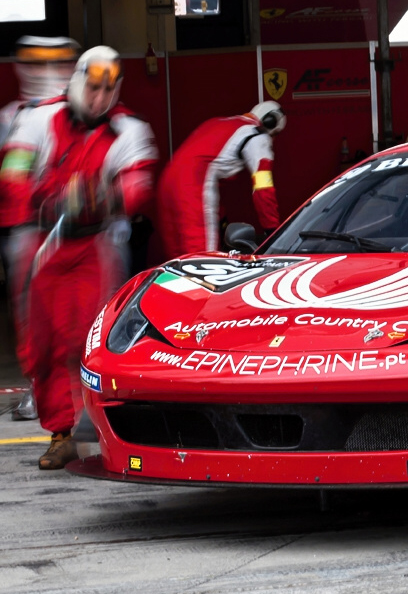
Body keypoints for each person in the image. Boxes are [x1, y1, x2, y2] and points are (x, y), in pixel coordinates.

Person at [0, 46, 158, 470]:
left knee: (92, 341)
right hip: (41, 245)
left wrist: (100, 198)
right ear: (78, 81)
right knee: (44, 345)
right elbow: (13, 176)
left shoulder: (130, 130)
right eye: (92, 87)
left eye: (108, 90)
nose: (98, 98)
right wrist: (48, 203)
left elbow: (139, 186)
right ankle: (62, 433)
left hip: (94, 246)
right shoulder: (35, 120)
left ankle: (100, 430)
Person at [0, 36, 80, 422]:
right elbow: (11, 179)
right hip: (31, 233)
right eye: (36, 62)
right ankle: (39, 392)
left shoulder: (89, 112)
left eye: (55, 62)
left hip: (79, 234)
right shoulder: (12, 116)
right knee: (35, 321)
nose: (45, 71)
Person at [156, 101, 286, 259]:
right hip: (194, 183)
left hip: (167, 181)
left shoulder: (218, 122)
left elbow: (210, 166)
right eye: (275, 134)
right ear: (270, 122)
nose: (272, 140)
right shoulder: (257, 135)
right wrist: (272, 230)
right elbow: (263, 188)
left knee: (177, 258)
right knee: (202, 257)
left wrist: (221, 217)